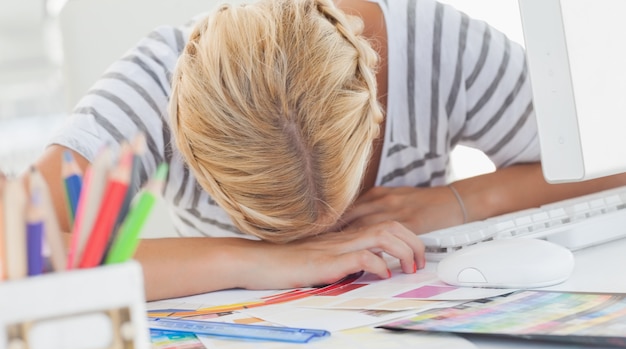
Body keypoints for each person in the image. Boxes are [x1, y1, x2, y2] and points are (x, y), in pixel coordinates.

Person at [35, 0, 626, 300]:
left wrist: (459, 201)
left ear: (373, 98)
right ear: (182, 132)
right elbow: (19, 243)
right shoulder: (154, 85)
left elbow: (614, 159)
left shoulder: (438, 49)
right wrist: (251, 259)